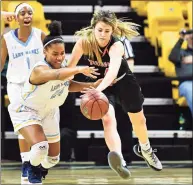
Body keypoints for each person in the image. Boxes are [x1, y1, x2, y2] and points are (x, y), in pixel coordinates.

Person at [68, 10, 162, 179]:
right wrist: (64, 80)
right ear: (93, 28)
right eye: (100, 30)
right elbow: (69, 69)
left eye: (107, 31)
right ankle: (119, 159)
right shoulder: (83, 43)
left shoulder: (116, 45)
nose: (103, 34)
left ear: (113, 31)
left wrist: (97, 90)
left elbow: (111, 74)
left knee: (139, 121)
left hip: (123, 81)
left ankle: (145, 149)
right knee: (108, 119)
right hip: (103, 86)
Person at [8, 20, 100, 184]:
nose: (60, 57)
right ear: (45, 52)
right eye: (55, 54)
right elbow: (57, 75)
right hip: (26, 110)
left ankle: (34, 166)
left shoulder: (63, 65)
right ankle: (30, 171)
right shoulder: (39, 69)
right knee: (40, 147)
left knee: (53, 159)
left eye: (62, 53)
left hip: (48, 112)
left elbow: (67, 84)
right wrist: (79, 69)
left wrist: (93, 86)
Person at [1, 3, 46, 184]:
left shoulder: (41, 35)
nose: (26, 15)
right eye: (22, 12)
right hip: (16, 85)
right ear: (16, 18)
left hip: (38, 86)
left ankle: (33, 161)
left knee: (36, 124)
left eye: (29, 12)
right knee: (24, 124)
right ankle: (26, 162)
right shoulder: (6, 38)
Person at [168, 29, 193, 117]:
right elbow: (172, 57)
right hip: (187, 83)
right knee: (191, 90)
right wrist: (181, 39)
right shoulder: (181, 52)